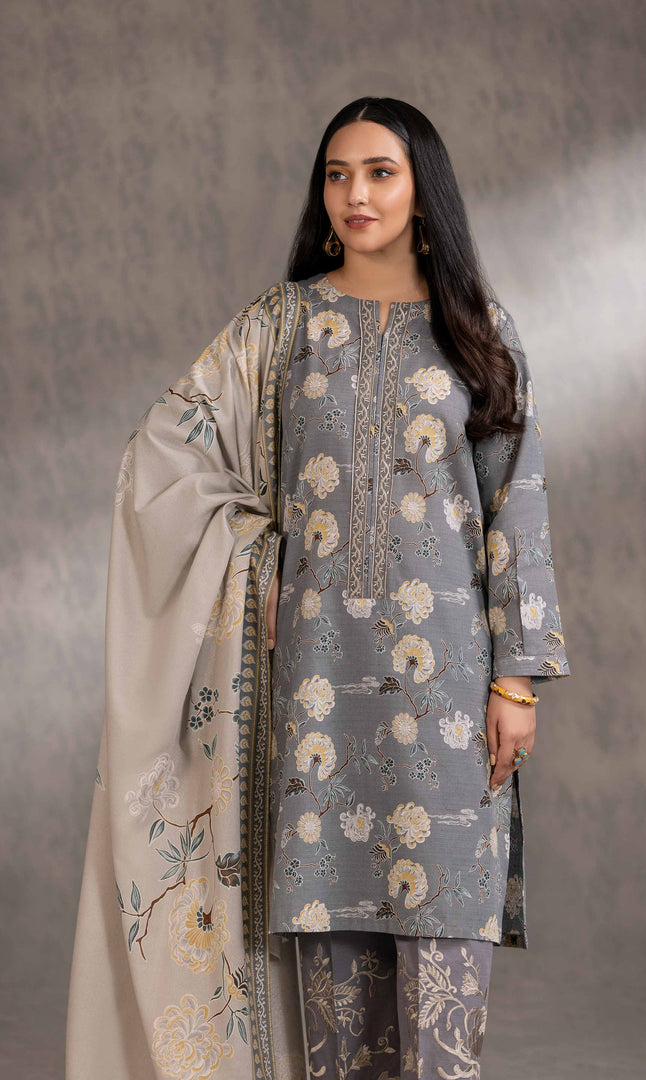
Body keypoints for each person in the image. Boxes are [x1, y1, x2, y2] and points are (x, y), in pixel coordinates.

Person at [66, 97, 570, 1080]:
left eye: (379, 172)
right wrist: (255, 560)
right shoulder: (280, 327)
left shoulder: (478, 329)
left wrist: (517, 682)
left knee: (443, 1006)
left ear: (423, 189)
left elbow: (519, 504)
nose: (354, 194)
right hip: (317, 705)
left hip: (448, 706)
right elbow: (162, 458)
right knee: (336, 1012)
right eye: (337, 174)